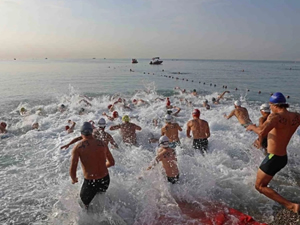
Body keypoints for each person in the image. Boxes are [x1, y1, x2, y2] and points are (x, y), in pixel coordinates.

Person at [250, 92, 300, 213]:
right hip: (282, 157)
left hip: (274, 157)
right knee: (264, 181)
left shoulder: (275, 117)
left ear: (274, 105)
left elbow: (261, 131)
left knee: (260, 186)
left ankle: (291, 205)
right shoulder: (296, 116)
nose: (270, 107)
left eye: (270, 105)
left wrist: (251, 127)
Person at [69, 122, 115, 209]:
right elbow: (112, 162)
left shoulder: (78, 147)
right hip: (105, 179)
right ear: (91, 132)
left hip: (91, 182)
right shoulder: (103, 144)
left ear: (81, 133)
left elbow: (73, 167)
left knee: (82, 205)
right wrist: (102, 166)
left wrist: (74, 179)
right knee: (100, 197)